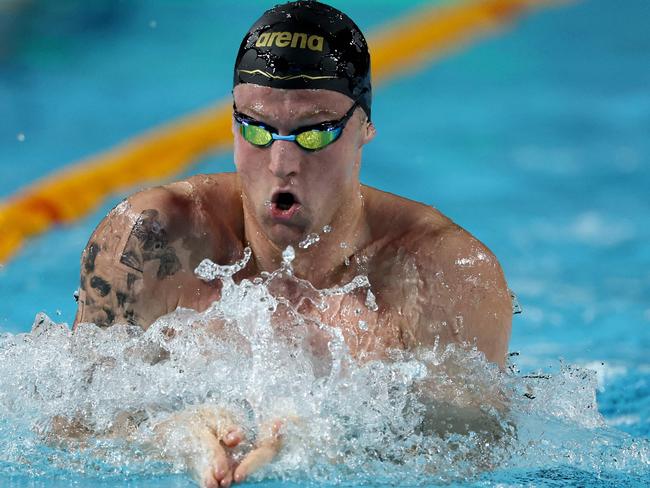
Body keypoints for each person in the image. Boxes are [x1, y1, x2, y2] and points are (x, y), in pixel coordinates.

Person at [73, 1, 513, 486]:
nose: (281, 161)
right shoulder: (153, 239)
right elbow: (69, 423)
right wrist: (167, 433)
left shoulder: (445, 272)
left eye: (315, 132)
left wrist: (329, 446)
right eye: (257, 129)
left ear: (365, 127)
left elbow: (476, 458)